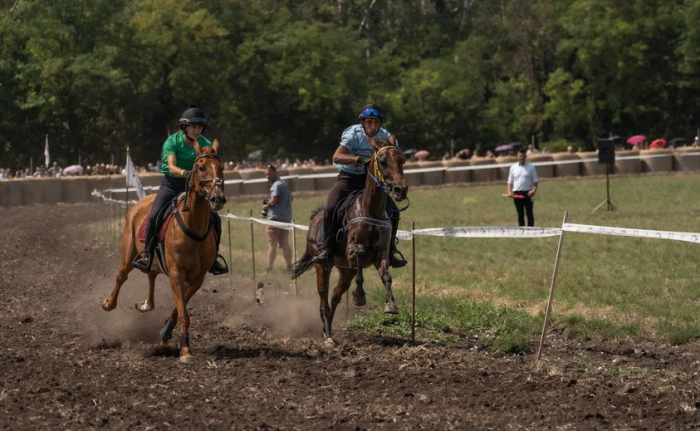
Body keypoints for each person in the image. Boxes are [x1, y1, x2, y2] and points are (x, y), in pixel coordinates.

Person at [132, 106, 228, 275]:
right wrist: (187, 173)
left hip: (196, 188)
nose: (196, 130)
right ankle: (146, 254)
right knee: (155, 215)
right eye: (193, 127)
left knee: (215, 219)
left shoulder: (205, 144)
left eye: (199, 127)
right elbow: (171, 166)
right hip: (172, 184)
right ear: (185, 128)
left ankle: (213, 260)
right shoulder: (172, 142)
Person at [312, 103, 407, 268]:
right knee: (330, 206)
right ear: (363, 122)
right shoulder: (352, 134)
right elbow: (337, 156)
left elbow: (394, 160)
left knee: (394, 211)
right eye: (369, 122)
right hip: (348, 179)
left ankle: (390, 250)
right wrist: (358, 159)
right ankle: (326, 249)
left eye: (376, 122)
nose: (372, 126)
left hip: (370, 182)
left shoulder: (387, 137)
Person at [261, 165, 293, 273]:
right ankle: (289, 267)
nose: (267, 176)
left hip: (274, 219)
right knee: (285, 244)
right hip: (285, 218)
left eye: (269, 173)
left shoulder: (275, 185)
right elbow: (290, 198)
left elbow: (274, 201)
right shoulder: (284, 184)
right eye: (266, 174)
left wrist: (267, 206)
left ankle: (269, 268)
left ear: (275, 172)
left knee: (272, 244)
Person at [507, 148, 538, 227]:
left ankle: (531, 230)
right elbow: (510, 181)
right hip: (517, 193)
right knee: (520, 213)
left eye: (523, 156)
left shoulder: (531, 167)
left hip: (528, 193)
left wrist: (533, 191)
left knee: (529, 212)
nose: (521, 158)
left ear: (526, 156)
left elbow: (535, 182)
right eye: (520, 156)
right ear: (517, 156)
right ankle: (521, 230)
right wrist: (510, 192)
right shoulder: (513, 167)